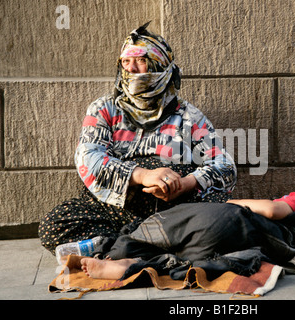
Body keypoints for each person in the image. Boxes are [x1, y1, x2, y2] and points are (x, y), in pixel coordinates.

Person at [39, 22, 236, 254]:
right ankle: (148, 243)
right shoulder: (104, 109)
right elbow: (88, 158)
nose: (131, 68)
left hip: (176, 210)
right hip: (115, 209)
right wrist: (143, 175)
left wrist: (185, 184)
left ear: (160, 65)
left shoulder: (188, 116)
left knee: (227, 219)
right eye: (125, 61)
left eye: (141, 60)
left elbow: (224, 166)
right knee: (54, 225)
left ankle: (124, 246)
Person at [78, 186, 295, 280]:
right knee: (182, 259)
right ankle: (134, 267)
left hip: (230, 220)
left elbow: (271, 210)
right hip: (236, 243)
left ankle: (115, 252)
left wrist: (227, 203)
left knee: (148, 234)